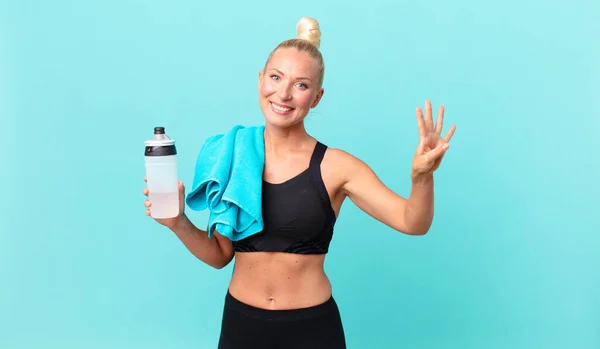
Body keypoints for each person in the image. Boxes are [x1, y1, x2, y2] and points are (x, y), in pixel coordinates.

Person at [142, 16, 455, 349]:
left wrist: (422, 178)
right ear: (260, 79)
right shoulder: (232, 154)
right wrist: (178, 222)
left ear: (316, 97)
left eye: (301, 85)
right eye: (275, 77)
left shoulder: (337, 166)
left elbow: (413, 222)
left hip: (312, 330)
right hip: (241, 327)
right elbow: (220, 255)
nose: (284, 93)